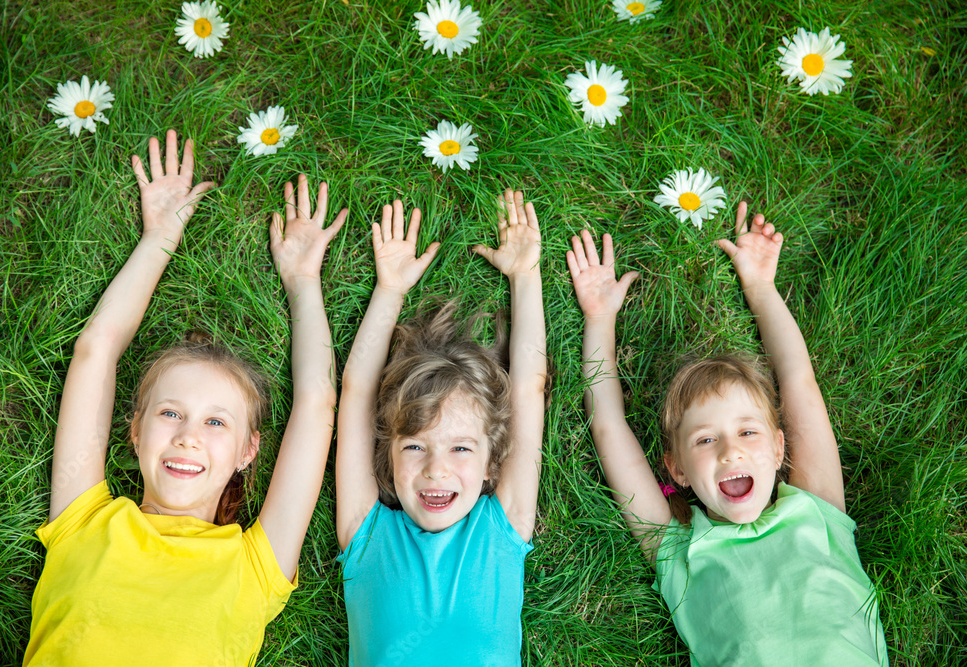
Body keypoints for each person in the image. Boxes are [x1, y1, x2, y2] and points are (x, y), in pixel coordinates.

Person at [24, 130, 346, 665]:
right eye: (170, 412)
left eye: (218, 423)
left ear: (249, 452)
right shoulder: (84, 523)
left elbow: (318, 405)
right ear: (134, 430)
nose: (189, 434)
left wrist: (304, 279)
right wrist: (158, 237)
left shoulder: (254, 567)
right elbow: (95, 351)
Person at [568, 201, 889, 665]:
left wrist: (761, 287)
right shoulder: (677, 549)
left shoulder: (817, 509)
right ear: (676, 468)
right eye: (704, 439)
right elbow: (608, 426)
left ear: (780, 447)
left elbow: (798, 379)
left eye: (748, 432)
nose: (730, 451)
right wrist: (599, 319)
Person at [335, 190, 547, 666]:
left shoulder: (503, 529)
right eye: (414, 447)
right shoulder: (366, 536)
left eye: (460, 449)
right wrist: (388, 290)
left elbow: (530, 391)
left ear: (494, 462)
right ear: (386, 457)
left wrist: (526, 276)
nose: (436, 469)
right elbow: (356, 393)